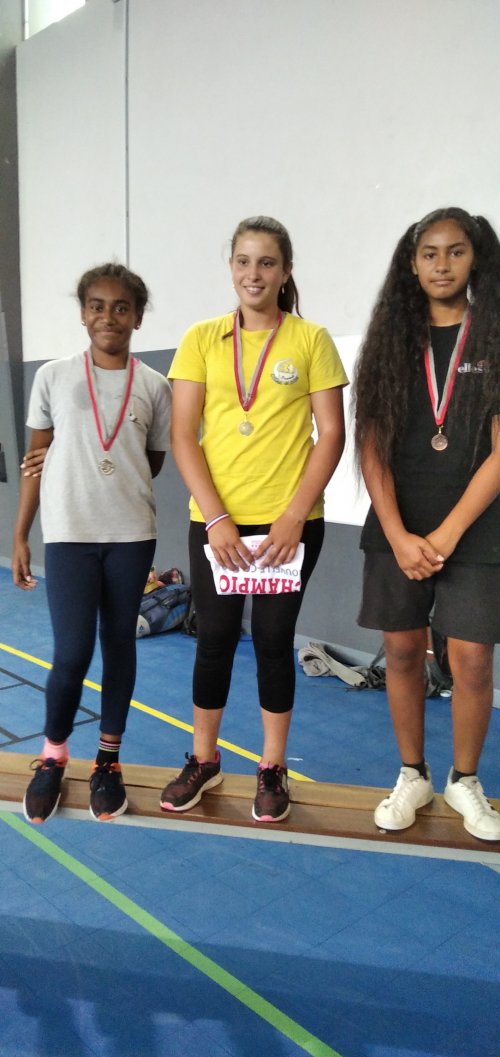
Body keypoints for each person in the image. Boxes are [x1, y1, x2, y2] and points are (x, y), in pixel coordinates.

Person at [160, 215, 347, 822]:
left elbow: (331, 434)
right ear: (231, 267)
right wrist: (216, 518)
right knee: (213, 636)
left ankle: (271, 767)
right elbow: (182, 434)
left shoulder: (311, 340)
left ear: (286, 270)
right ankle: (204, 759)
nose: (254, 273)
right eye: (243, 261)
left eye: (267, 262)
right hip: (217, 524)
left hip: (289, 526)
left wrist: (294, 515)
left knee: (271, 640)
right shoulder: (201, 339)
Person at [353, 207, 500, 841]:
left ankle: (465, 779)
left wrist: (446, 535)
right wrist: (397, 534)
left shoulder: (493, 336)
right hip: (399, 523)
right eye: (430, 253)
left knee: (472, 659)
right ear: (411, 265)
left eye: (456, 251)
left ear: (476, 258)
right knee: (403, 650)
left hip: (477, 526)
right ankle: (412, 772)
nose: (443, 264)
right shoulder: (391, 341)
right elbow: (371, 446)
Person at [12, 263, 171, 823]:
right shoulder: (53, 376)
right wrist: (21, 533)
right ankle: (53, 755)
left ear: (138, 317)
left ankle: (108, 761)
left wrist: (111, 473)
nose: (109, 316)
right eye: (97, 306)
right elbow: (34, 462)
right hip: (69, 535)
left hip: (130, 535)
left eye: (122, 307)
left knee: (119, 644)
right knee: (72, 652)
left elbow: (152, 461)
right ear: (83, 313)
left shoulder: (154, 386)